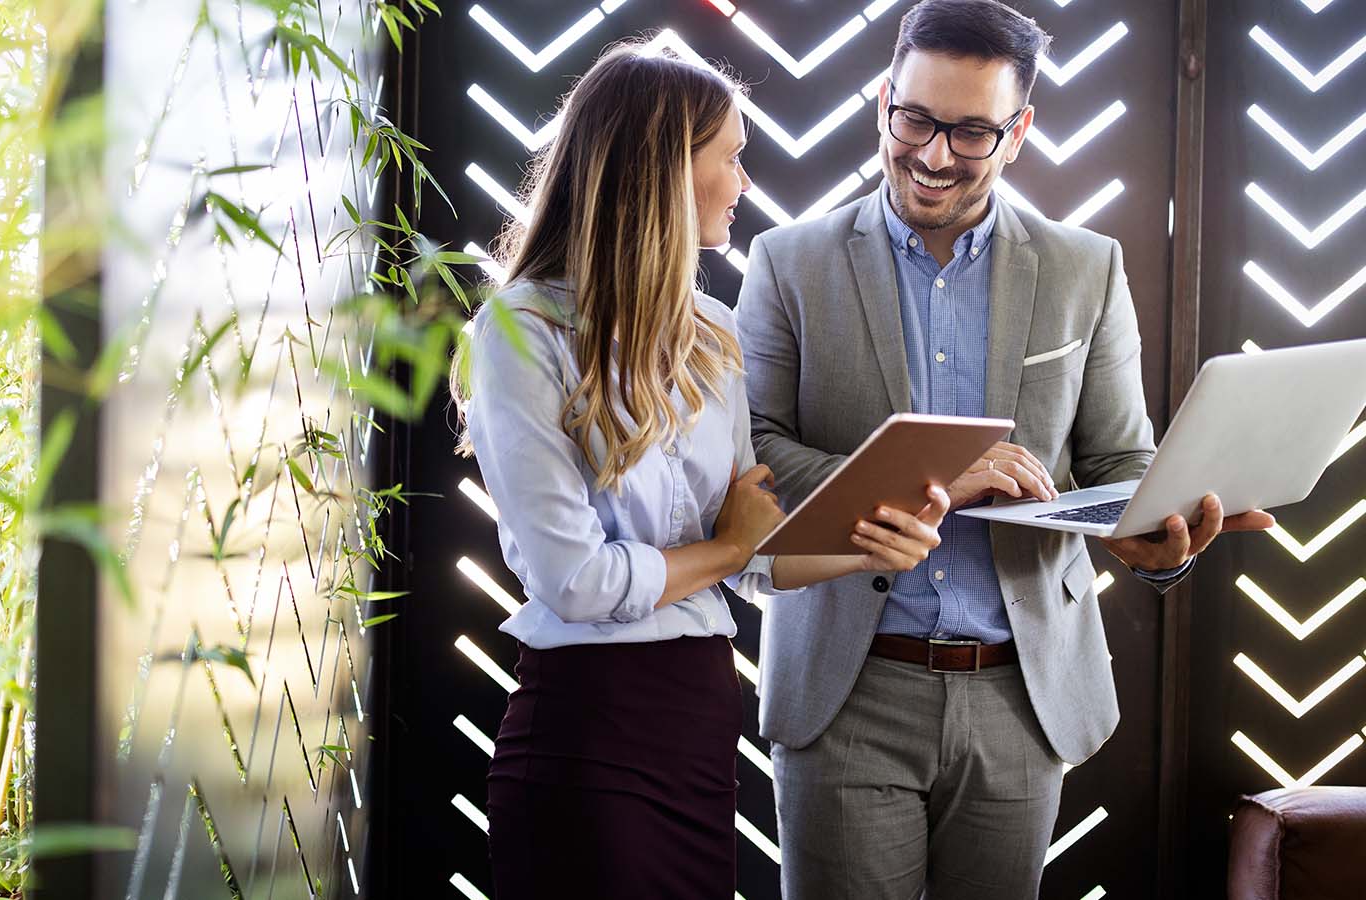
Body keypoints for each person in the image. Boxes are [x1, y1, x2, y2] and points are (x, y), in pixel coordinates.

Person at [735, 2, 1274, 898]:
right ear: (883, 102)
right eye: (915, 119)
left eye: (972, 131)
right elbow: (750, 455)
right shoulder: (789, 261)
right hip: (847, 690)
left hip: (1023, 699)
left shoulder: (1085, 267)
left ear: (1018, 132)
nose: (934, 154)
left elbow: (1118, 462)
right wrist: (929, 480)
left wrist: (1153, 535)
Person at [452, 43, 951, 900]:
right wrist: (724, 554)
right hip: (589, 733)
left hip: (697, 730)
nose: (745, 183)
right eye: (731, 157)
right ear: (661, 172)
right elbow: (575, 581)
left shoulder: (711, 333)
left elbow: (757, 553)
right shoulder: (522, 331)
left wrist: (874, 547)